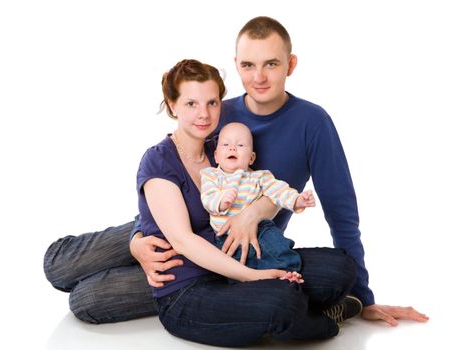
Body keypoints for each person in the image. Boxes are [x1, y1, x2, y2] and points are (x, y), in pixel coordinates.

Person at [44, 16, 428, 328]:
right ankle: (113, 247)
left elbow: (342, 212)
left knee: (89, 299)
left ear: (290, 65)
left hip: (219, 252)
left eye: (271, 64)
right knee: (63, 265)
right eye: (248, 65)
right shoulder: (217, 113)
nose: (259, 77)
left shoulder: (313, 123)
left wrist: (364, 296)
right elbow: (168, 167)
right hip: (168, 225)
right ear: (237, 66)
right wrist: (138, 242)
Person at [135, 58, 361, 346]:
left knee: (339, 268)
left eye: (213, 103)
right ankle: (322, 321)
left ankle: (274, 306)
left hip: (239, 259)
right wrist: (252, 276)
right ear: (172, 104)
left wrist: (264, 213)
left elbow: (263, 187)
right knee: (281, 301)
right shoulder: (158, 160)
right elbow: (183, 240)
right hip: (188, 289)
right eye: (191, 104)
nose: (204, 114)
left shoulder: (223, 146)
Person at [201, 121, 315, 272]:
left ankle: (288, 270)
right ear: (216, 156)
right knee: (234, 262)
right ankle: (252, 279)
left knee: (276, 242)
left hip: (259, 229)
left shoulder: (259, 177)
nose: (232, 147)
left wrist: (296, 200)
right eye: (225, 144)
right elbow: (207, 197)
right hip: (226, 235)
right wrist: (221, 201)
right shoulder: (211, 175)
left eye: (240, 145)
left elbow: (278, 190)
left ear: (251, 158)